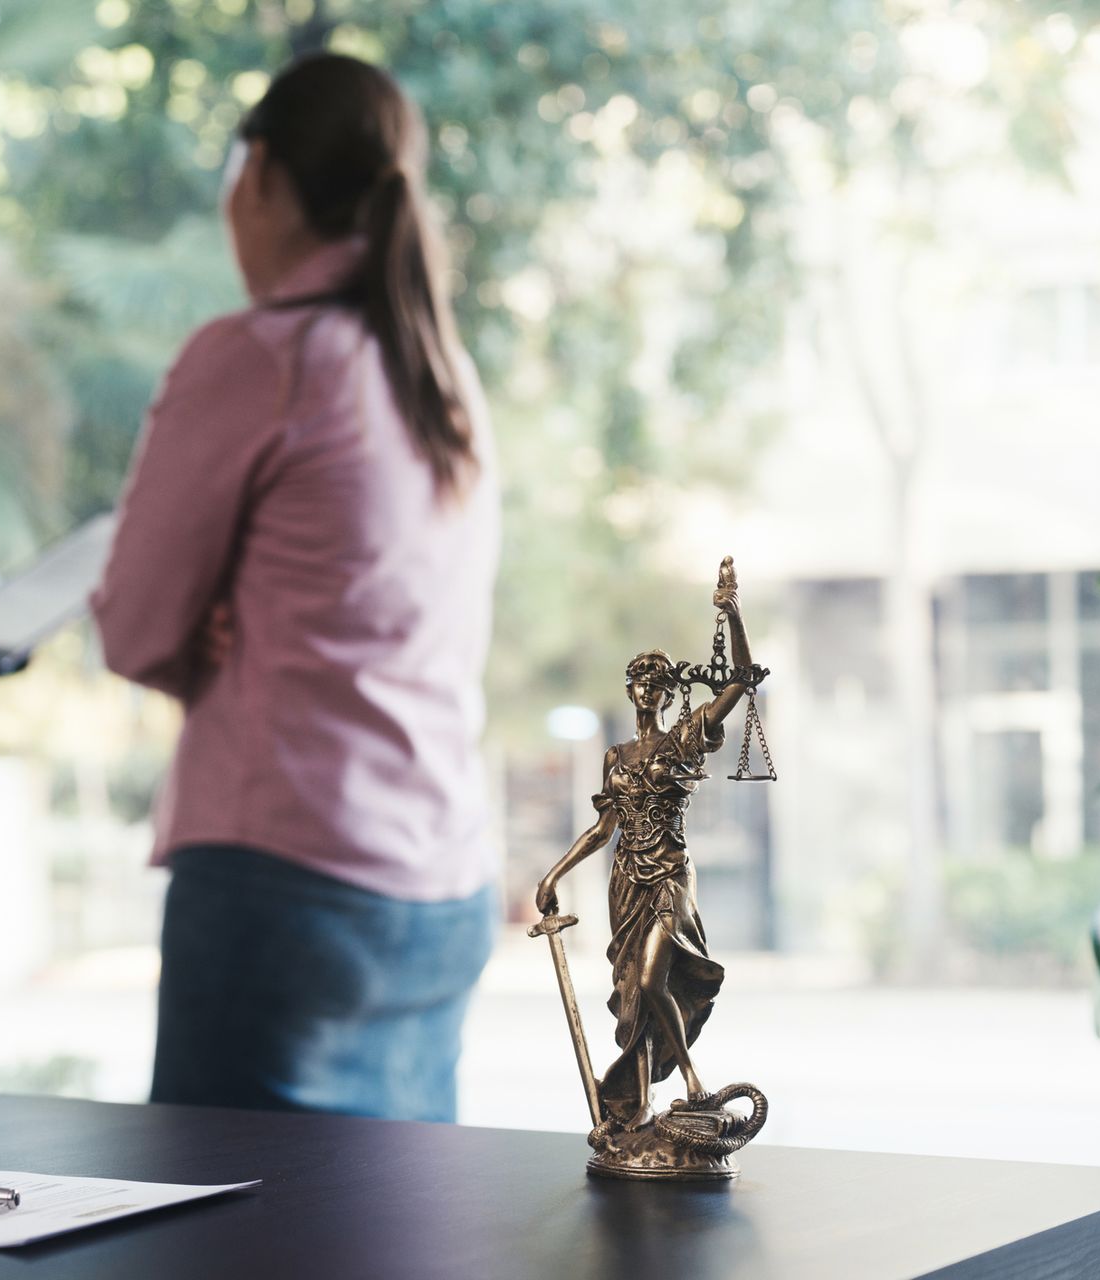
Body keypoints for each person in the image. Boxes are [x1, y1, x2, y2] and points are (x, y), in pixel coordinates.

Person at [90, 54, 502, 1123]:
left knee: (233, 1236)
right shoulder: (443, 377)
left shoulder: (263, 355)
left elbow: (134, 625)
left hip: (287, 883)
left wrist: (206, 627)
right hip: (442, 886)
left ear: (261, 172)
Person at [533, 563, 754, 1131]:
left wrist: (730, 612)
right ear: (631, 689)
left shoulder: (682, 740)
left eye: (659, 684)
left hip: (670, 876)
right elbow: (602, 830)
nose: (650, 692)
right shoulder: (617, 757)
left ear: (668, 692)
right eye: (641, 682)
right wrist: (554, 875)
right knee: (634, 992)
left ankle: (693, 1081)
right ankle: (636, 1102)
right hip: (626, 880)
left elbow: (741, 681)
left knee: (655, 979)